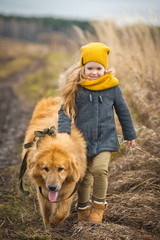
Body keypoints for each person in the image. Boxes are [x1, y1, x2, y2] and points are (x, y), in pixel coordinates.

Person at [58, 42, 137, 224]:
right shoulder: (76, 88)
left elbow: (123, 111)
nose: (94, 72)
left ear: (105, 69)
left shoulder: (112, 87)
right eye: (90, 68)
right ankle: (83, 208)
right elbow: (64, 110)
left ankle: (98, 207)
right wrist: (64, 130)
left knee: (100, 170)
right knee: (83, 177)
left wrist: (129, 134)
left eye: (99, 68)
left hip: (105, 138)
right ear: (82, 68)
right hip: (82, 141)